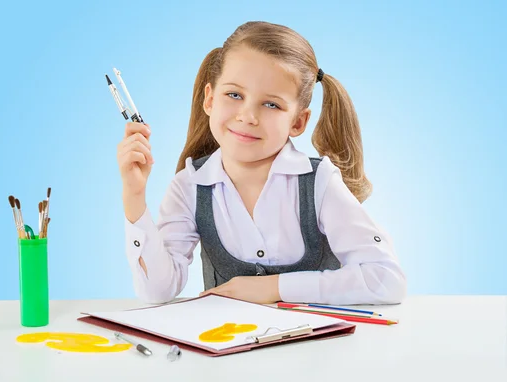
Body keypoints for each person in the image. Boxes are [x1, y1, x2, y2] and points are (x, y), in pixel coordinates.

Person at [116, 21, 407, 305]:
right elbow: (158, 291)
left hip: (318, 351)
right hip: (228, 351)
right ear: (210, 99)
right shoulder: (190, 186)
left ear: (298, 121)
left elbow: (386, 278)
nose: (248, 116)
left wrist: (275, 287)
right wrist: (134, 195)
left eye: (271, 104)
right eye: (234, 95)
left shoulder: (319, 183)